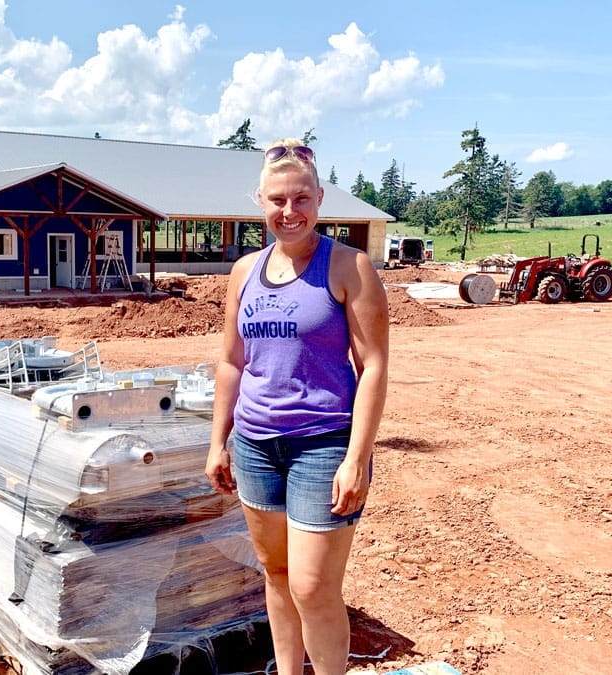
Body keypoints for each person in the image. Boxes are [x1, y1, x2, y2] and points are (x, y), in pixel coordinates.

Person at [205, 138, 389, 675]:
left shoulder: (350, 267)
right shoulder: (244, 272)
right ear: (260, 201)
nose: (290, 212)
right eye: (278, 200)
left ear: (320, 198)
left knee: (313, 587)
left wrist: (358, 456)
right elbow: (231, 362)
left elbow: (373, 365)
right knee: (277, 573)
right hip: (257, 446)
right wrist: (219, 441)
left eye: (302, 198)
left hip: (323, 445)